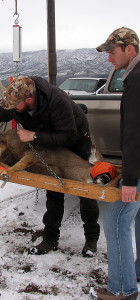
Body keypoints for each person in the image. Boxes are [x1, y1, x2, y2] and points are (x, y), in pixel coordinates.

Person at [0, 75, 100, 256]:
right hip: (46, 139)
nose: (9, 107)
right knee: (52, 186)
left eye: (14, 104)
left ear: (29, 99)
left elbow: (68, 135)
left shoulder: (56, 101)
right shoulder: (14, 103)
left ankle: (91, 241)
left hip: (75, 139)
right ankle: (50, 239)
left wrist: (34, 136)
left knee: (86, 189)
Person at [92, 27, 140, 300]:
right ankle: (135, 272)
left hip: (139, 167)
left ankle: (123, 290)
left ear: (129, 49)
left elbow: (135, 133)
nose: (109, 57)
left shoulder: (136, 81)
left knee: (115, 220)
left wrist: (130, 179)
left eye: (112, 51)